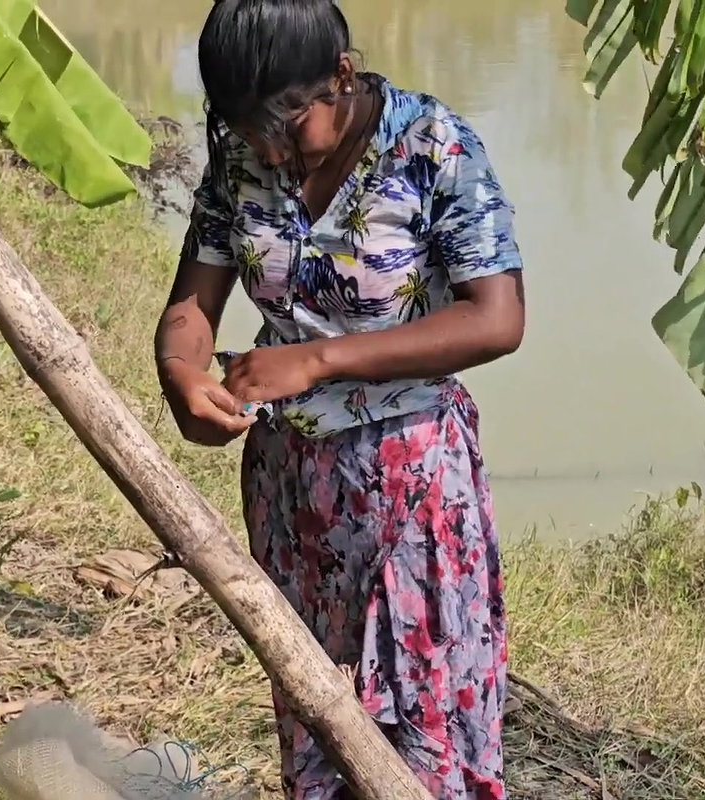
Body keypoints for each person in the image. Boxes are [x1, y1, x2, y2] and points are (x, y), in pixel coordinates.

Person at [154, 0, 525, 796]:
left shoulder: (434, 146)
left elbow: (497, 320)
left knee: (421, 736)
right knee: (318, 723)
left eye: (289, 127)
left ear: (342, 77)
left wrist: (317, 360)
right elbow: (193, 306)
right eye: (251, 130)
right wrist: (182, 376)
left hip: (412, 489)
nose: (271, 149)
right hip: (292, 496)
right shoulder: (240, 160)